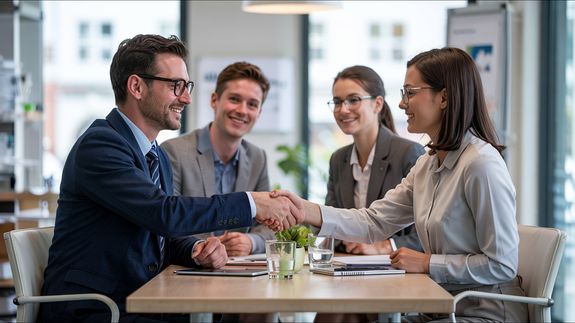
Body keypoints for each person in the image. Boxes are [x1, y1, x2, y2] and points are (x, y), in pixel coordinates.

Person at [39, 34, 301, 323]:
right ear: (137, 86)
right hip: (95, 309)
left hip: (141, 303)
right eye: (176, 86)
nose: (187, 98)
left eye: (186, 86)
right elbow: (163, 213)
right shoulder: (100, 146)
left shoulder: (155, 154)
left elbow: (161, 235)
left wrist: (196, 249)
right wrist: (252, 204)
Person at [275, 47, 528, 322]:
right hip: (441, 309)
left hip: (484, 313)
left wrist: (428, 263)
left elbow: (502, 265)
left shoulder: (481, 165)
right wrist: (303, 209)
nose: (402, 104)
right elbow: (373, 221)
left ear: (443, 97)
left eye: (410, 93)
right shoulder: (428, 164)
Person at [161, 61, 274, 257]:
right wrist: (204, 248)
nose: (242, 110)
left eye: (252, 104)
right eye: (234, 99)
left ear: (259, 113)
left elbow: (270, 226)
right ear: (214, 100)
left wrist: (250, 241)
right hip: (186, 272)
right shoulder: (174, 152)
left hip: (242, 275)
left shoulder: (258, 158)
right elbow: (166, 223)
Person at [325, 65, 424, 256]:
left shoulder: (409, 153)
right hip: (349, 267)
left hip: (396, 272)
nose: (343, 110)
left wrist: (383, 246)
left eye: (353, 100)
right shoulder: (338, 160)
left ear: (377, 104)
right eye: (337, 102)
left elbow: (426, 233)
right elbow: (332, 224)